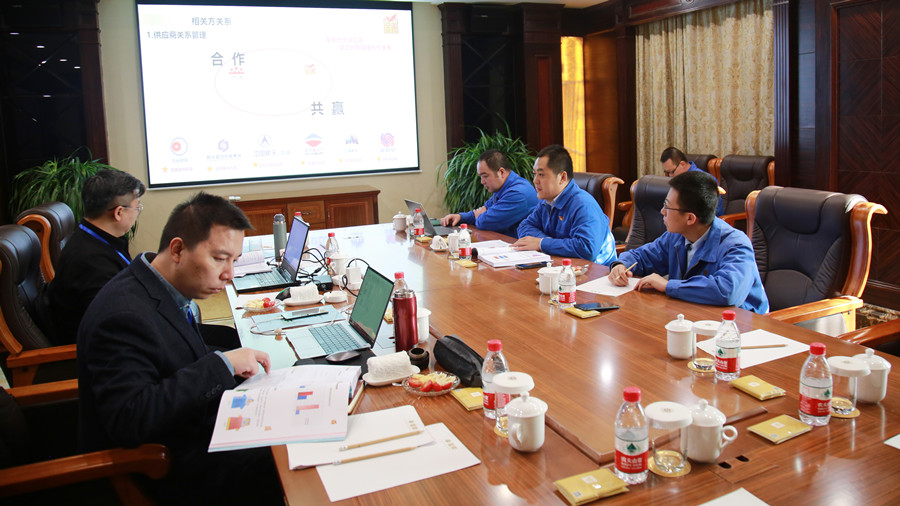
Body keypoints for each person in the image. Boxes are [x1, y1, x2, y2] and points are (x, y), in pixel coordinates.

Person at [77, 192, 282, 505]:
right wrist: (222, 365)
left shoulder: (155, 286)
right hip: (170, 468)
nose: (229, 274)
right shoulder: (123, 316)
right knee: (291, 455)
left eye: (234, 260)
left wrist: (229, 364)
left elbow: (174, 357)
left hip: (197, 431)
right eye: (219, 259)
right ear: (177, 249)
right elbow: (131, 419)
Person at [608, 171, 769, 313]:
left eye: (667, 206)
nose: (662, 211)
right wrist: (620, 265)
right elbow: (642, 257)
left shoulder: (736, 245)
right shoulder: (676, 236)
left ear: (690, 218)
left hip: (741, 326)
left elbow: (727, 291)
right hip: (695, 315)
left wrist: (668, 286)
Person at [44, 169, 145, 344]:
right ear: (119, 212)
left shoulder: (97, 238)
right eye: (137, 208)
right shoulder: (91, 261)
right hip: (100, 348)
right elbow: (112, 324)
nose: (137, 213)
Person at [513, 144, 617, 265]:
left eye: (541, 174)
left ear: (562, 177)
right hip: (562, 265)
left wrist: (542, 243)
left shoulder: (584, 205)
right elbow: (525, 226)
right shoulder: (547, 201)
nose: (535, 180)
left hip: (597, 271)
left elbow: (587, 249)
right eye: (534, 174)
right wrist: (546, 242)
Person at [440, 149, 538, 238]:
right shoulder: (503, 187)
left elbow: (485, 223)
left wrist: (481, 215)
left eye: (485, 176)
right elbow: (486, 209)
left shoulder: (518, 193)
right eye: (481, 177)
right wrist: (460, 217)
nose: (482, 182)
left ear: (501, 172)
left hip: (523, 248)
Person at [659, 146, 724, 216]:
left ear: (682, 164)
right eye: (667, 173)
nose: (670, 176)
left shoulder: (705, 180)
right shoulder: (678, 181)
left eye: (672, 172)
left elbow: (714, 212)